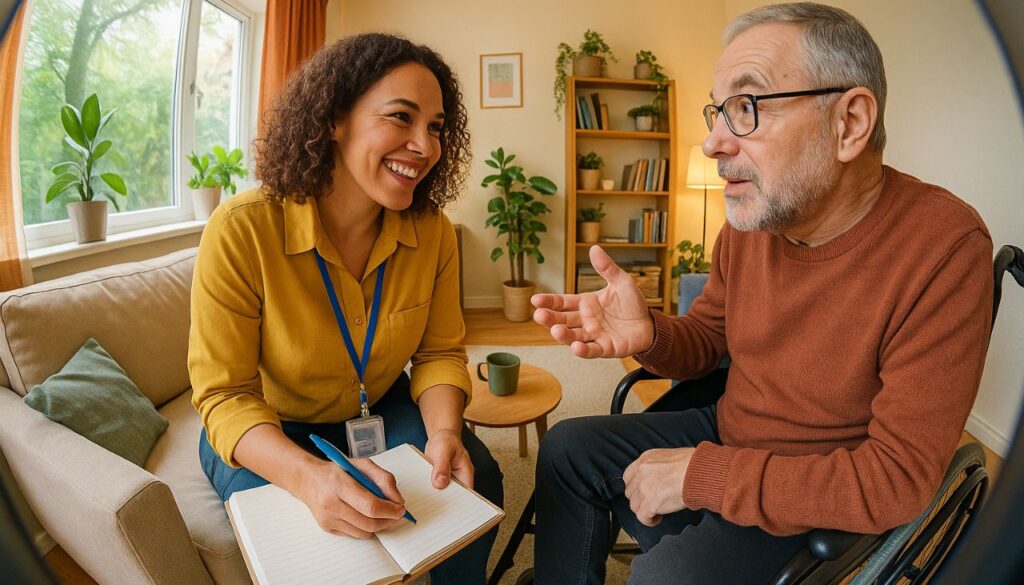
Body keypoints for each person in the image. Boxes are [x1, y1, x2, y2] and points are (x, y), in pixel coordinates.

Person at [530, 3, 993, 584]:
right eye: (717, 111)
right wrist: (649, 332)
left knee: (665, 577)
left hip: (822, 488)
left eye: (746, 107)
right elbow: (707, 340)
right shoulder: (750, 225)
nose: (711, 143)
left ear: (849, 123)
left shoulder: (944, 248)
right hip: (732, 433)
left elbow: (896, 479)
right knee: (568, 448)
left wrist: (702, 476)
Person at [188, 33, 502, 584]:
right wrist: (308, 480)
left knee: (481, 481)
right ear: (334, 118)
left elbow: (439, 353)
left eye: (434, 127)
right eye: (401, 117)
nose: (425, 146)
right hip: (271, 426)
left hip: (378, 402)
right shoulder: (242, 229)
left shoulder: (434, 235)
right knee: (311, 546)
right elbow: (225, 395)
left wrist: (446, 433)